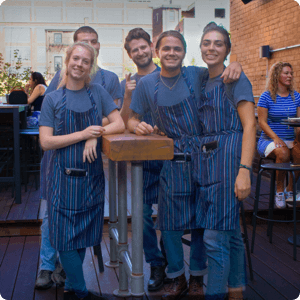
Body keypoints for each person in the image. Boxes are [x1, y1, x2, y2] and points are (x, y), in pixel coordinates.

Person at [127, 30, 242, 300]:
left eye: (177, 49)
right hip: (172, 160)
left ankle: (197, 279)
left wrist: (236, 64)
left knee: (203, 222)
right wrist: (138, 125)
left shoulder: (196, 74)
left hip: (205, 158)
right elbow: (131, 118)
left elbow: (223, 69)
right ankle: (176, 276)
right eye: (166, 48)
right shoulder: (147, 84)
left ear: (184, 52)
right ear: (158, 52)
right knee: (170, 224)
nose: (171, 53)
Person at [35, 25, 122, 290]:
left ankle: (72, 286)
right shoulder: (52, 98)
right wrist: (83, 133)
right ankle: (78, 287)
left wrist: (94, 135)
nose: (80, 64)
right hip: (61, 175)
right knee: (61, 236)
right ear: (67, 60)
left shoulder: (98, 92)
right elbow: (46, 141)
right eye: (76, 58)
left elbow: (118, 124)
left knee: (84, 233)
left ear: (92, 65)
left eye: (86, 61)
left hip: (91, 176)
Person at [196, 22, 256, 300]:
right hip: (208, 161)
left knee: (213, 238)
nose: (211, 48)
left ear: (227, 49)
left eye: (218, 43)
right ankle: (235, 291)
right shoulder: (201, 79)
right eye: (207, 43)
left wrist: (244, 171)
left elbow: (250, 126)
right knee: (230, 232)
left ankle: (216, 294)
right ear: (200, 48)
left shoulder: (237, 79)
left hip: (230, 159)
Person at [120, 27, 167, 291]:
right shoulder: (129, 81)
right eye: (134, 49)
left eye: (143, 46)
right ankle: (156, 262)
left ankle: (172, 261)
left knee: (171, 213)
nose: (140, 52)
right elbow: (125, 123)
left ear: (151, 46)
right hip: (142, 160)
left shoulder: (169, 73)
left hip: (170, 156)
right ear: (130, 54)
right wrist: (127, 94)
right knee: (140, 214)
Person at [257, 61, 300, 209]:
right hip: (269, 140)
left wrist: (297, 139)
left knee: (299, 152)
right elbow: (262, 122)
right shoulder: (266, 96)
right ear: (277, 75)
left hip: (290, 139)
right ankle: (279, 190)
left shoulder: (296, 96)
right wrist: (276, 138)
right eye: (286, 73)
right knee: (283, 152)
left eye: (291, 73)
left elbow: (299, 122)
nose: (290, 76)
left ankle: (290, 189)